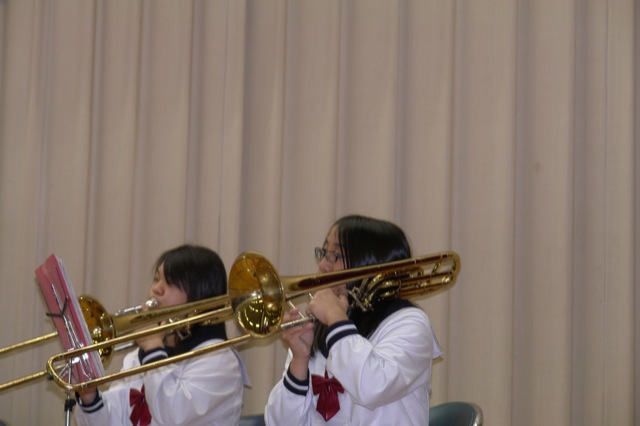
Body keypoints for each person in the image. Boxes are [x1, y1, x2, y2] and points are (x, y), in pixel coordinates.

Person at [265, 214, 442, 425]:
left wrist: (336, 319)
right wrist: (299, 360)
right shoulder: (322, 325)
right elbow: (279, 423)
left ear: (370, 263)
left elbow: (372, 386)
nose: (323, 266)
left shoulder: (411, 323)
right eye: (324, 253)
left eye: (336, 255)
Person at [75, 244, 250, 426]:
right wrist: (89, 396)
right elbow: (113, 420)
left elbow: (173, 415)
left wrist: (152, 350)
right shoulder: (137, 358)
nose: (156, 289)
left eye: (171, 282)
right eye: (156, 279)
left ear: (200, 294)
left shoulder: (220, 360)